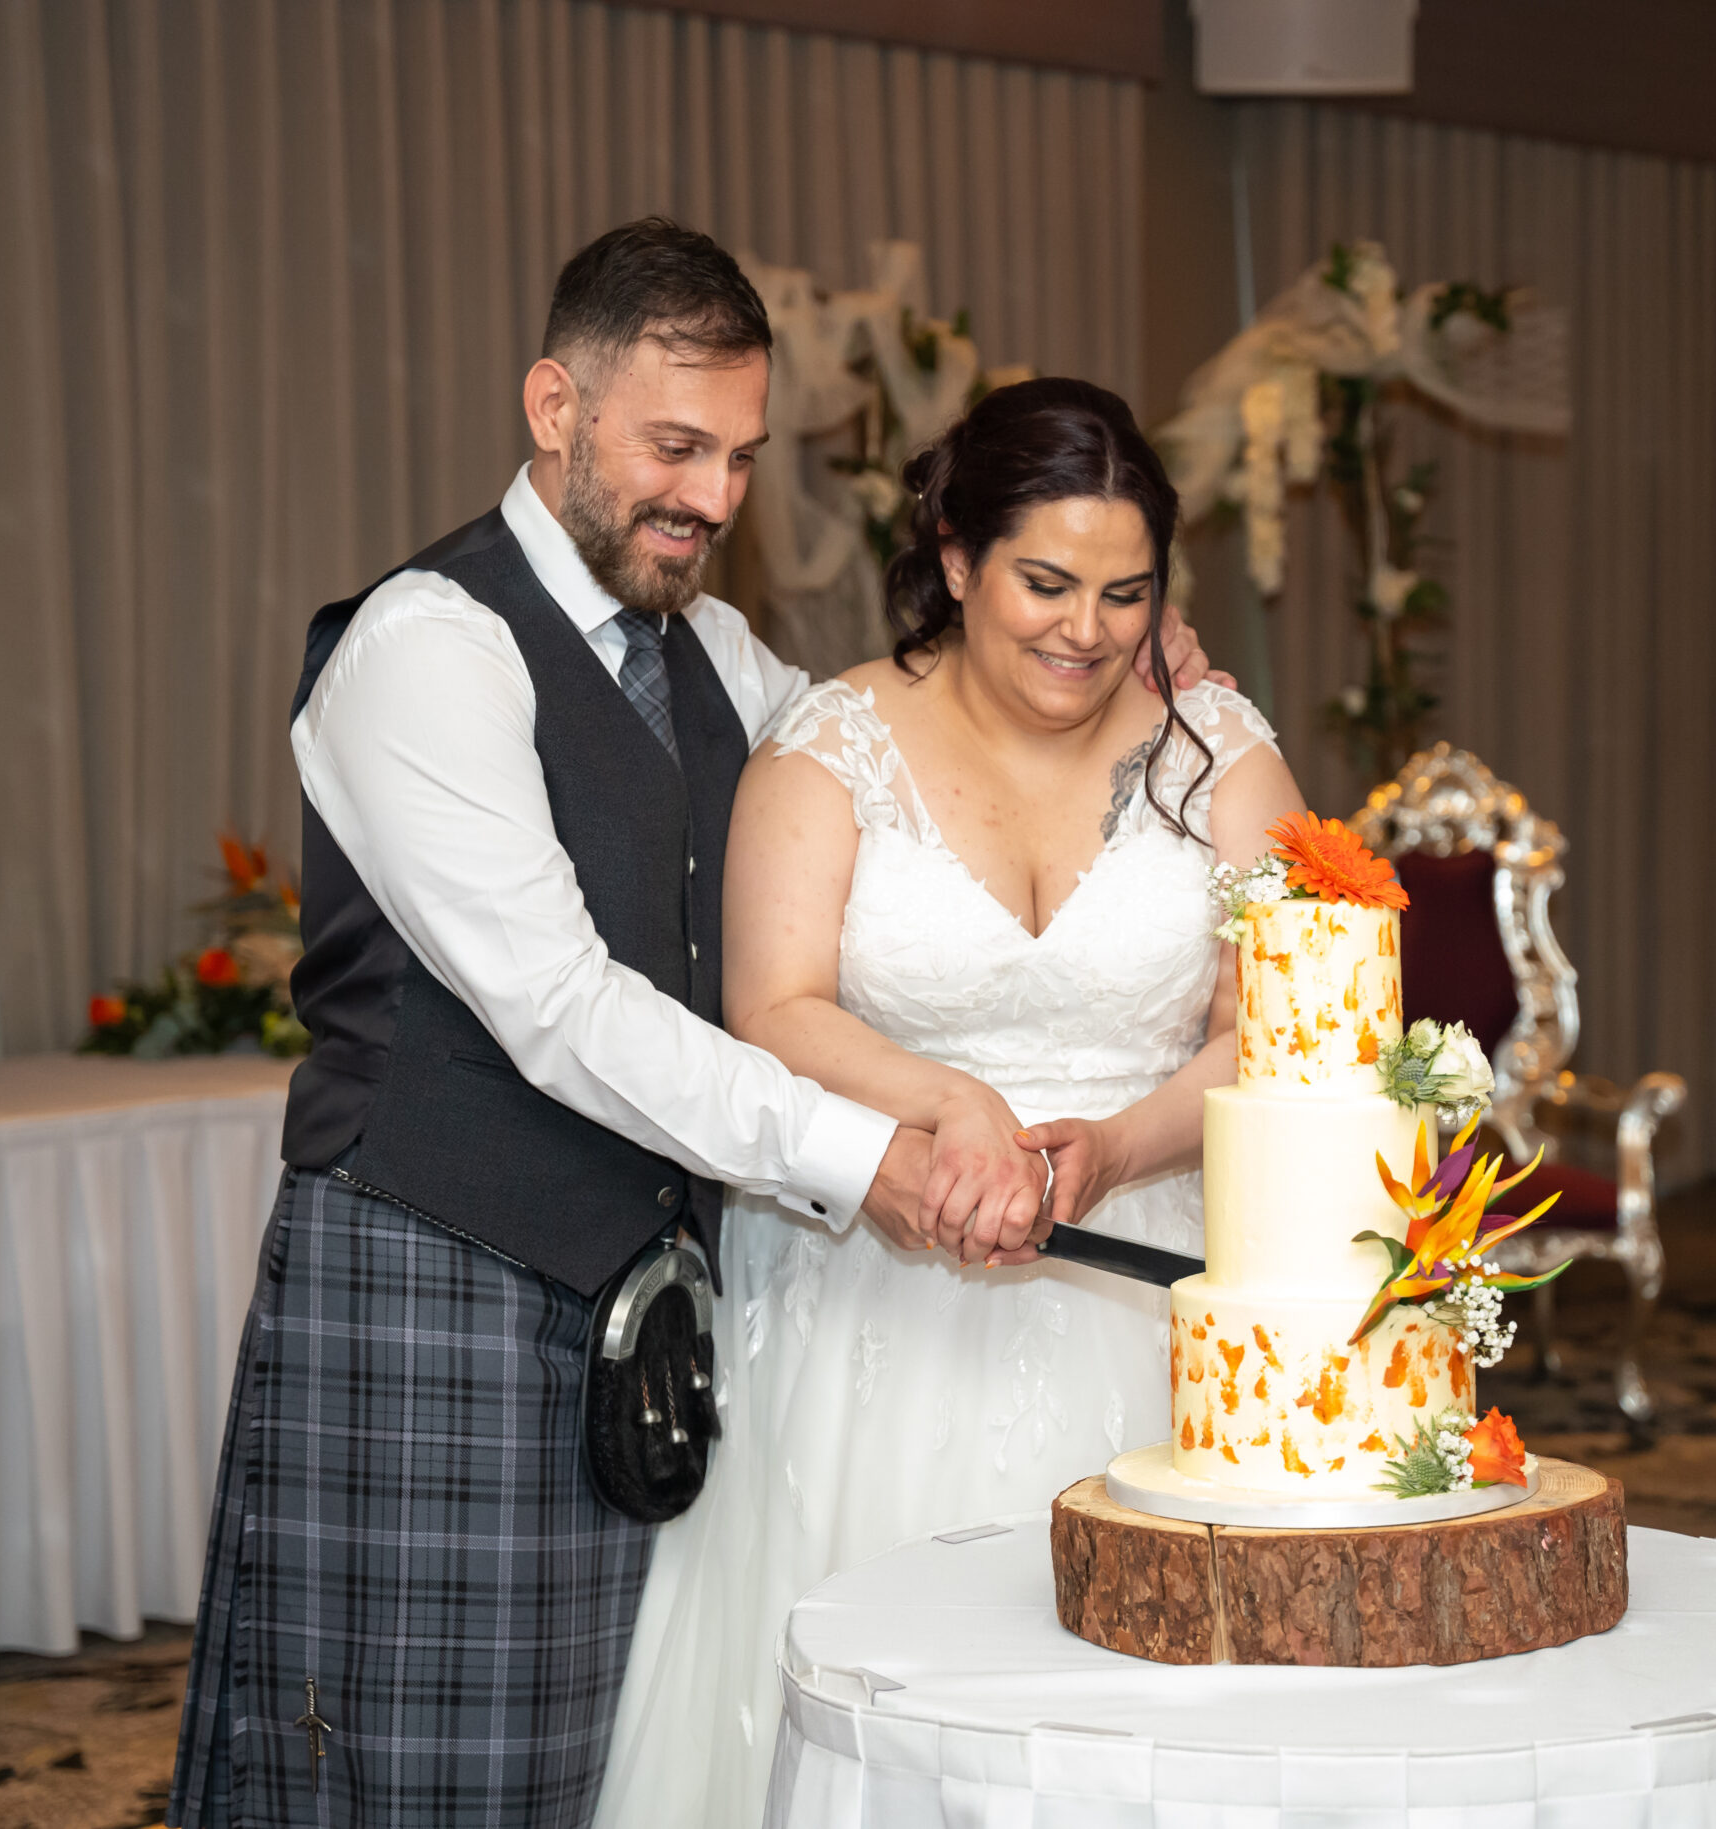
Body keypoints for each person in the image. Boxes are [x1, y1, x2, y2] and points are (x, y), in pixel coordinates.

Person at [164, 222, 1214, 1829]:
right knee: (396, 1770)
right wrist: (878, 1155)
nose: (714, 498)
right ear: (551, 405)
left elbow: (910, 760)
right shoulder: (422, 647)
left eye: (739, 456)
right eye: (674, 445)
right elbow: (568, 1014)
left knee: (579, 1769)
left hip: (641, 1314)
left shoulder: (722, 659)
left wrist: (1121, 674)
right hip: (439, 1290)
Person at [591, 378, 1301, 1828]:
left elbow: (1280, 1028)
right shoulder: (828, 746)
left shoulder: (1221, 749)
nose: (1085, 630)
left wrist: (1112, 1150)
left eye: (1125, 591)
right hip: (875, 1294)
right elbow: (772, 1005)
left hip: (1149, 1286)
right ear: (960, 556)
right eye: (1045, 581)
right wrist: (947, 1103)